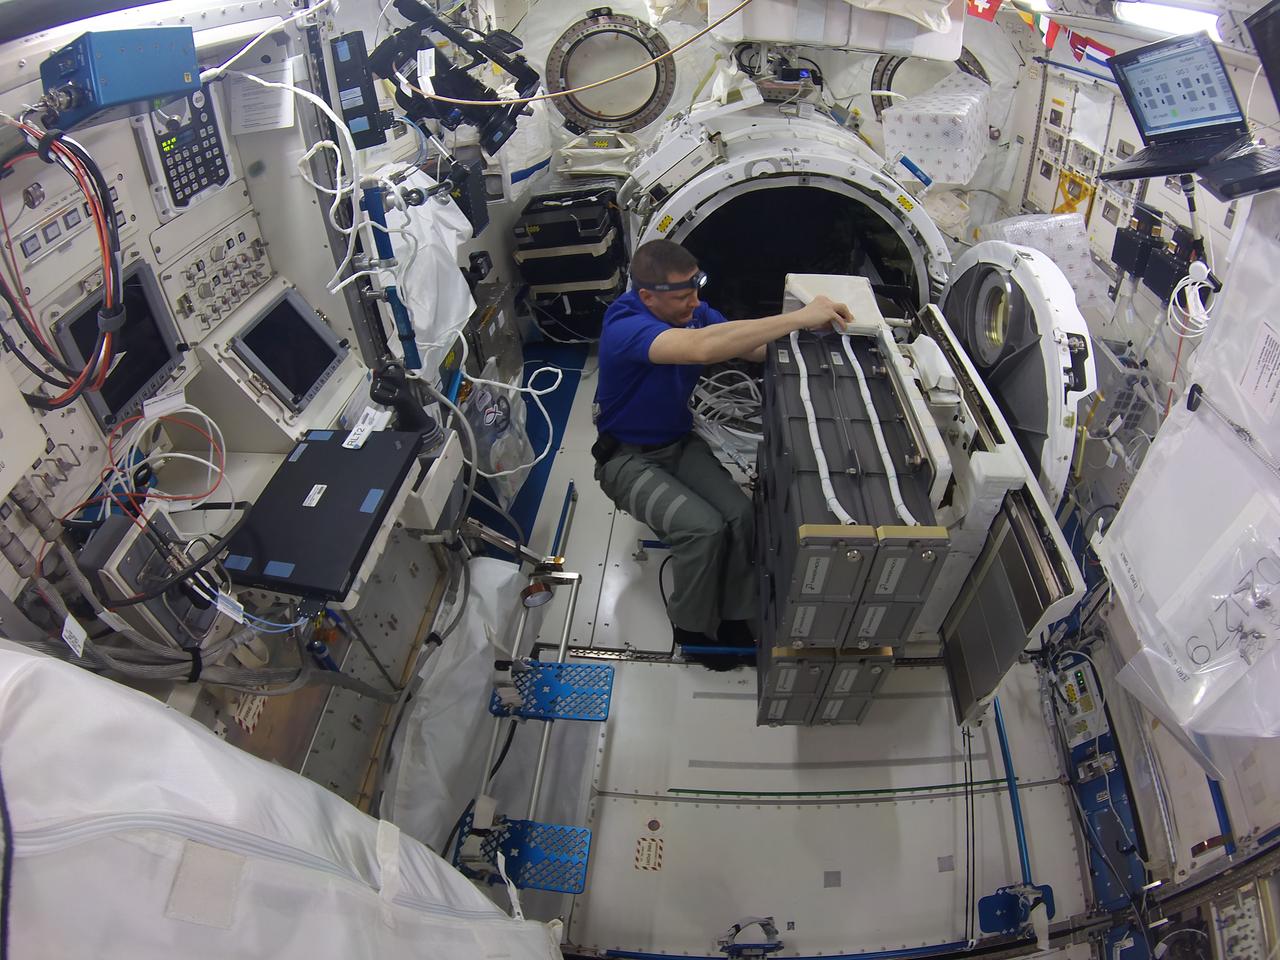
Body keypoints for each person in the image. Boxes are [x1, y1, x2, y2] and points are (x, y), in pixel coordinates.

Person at [592, 239, 853, 656]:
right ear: (647, 297)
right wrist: (801, 315)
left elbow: (751, 347)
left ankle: (734, 615)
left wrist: (810, 331)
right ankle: (692, 630)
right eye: (683, 295)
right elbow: (702, 348)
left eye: (696, 290)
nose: (695, 303)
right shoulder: (624, 324)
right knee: (703, 530)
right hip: (626, 459)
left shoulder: (693, 314)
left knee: (741, 516)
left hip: (678, 444)